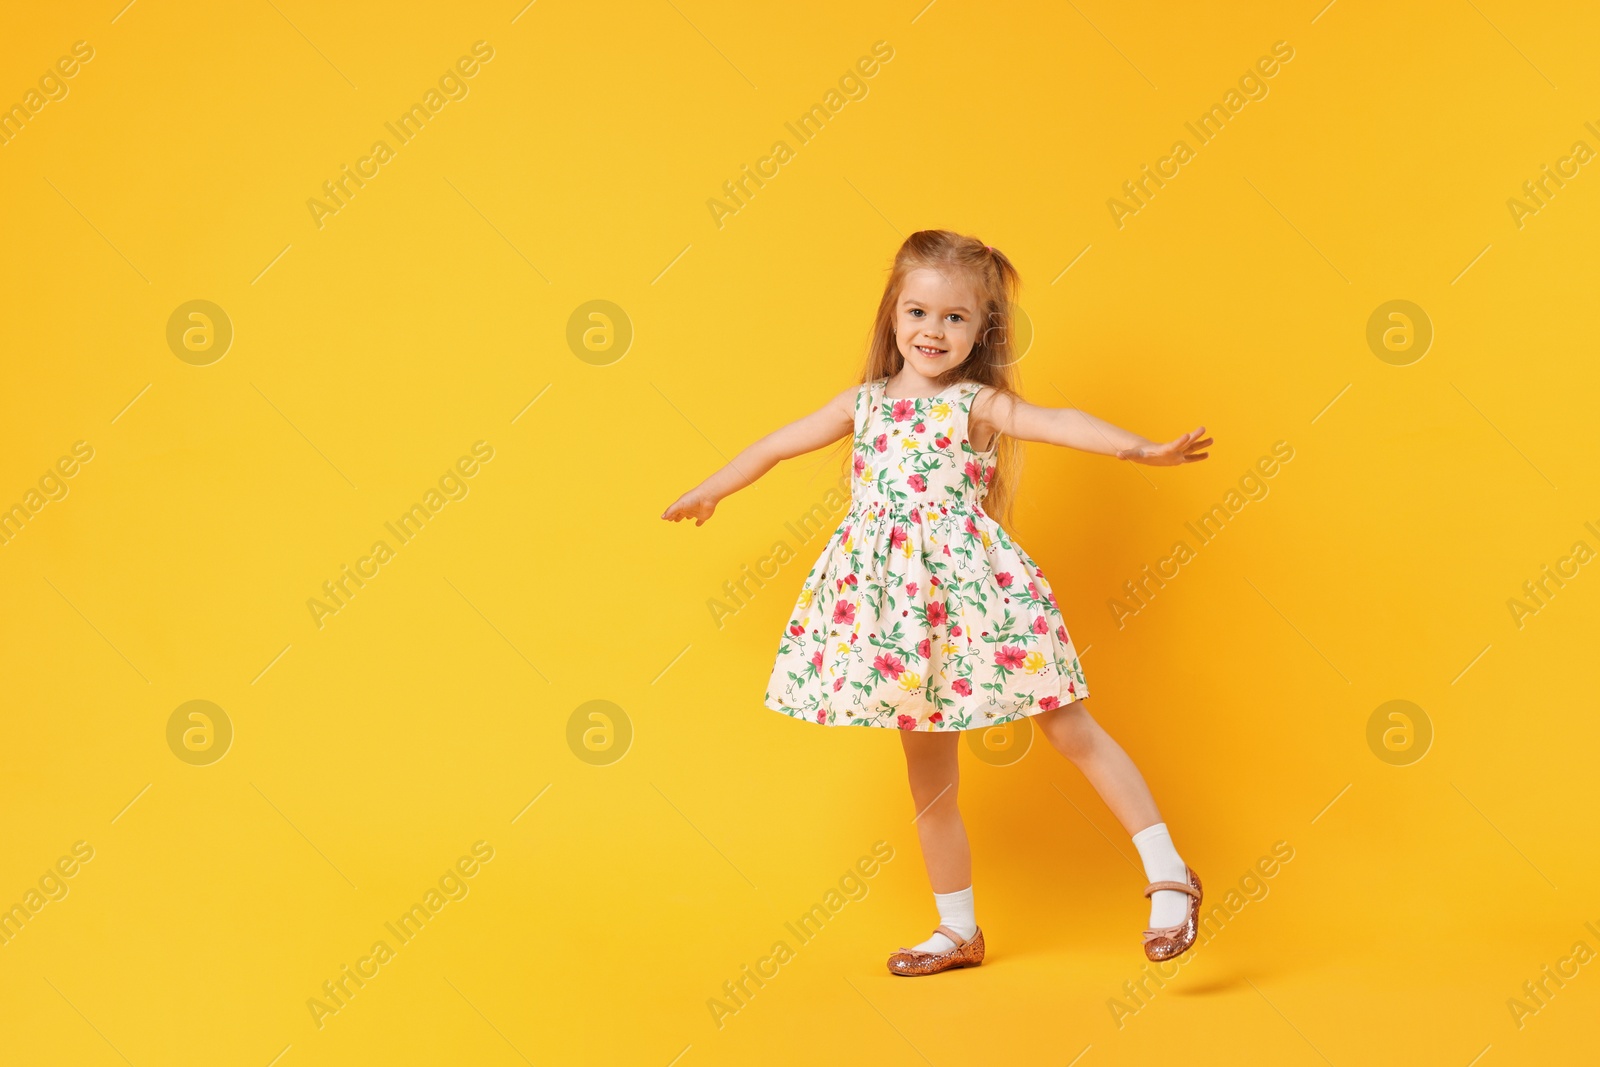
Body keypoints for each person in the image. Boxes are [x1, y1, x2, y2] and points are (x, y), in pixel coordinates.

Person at [661, 229, 1213, 976]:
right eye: (918, 311)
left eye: (955, 317)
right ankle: (957, 928)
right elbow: (776, 444)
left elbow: (1060, 420)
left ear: (982, 329)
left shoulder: (975, 404)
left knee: (1067, 727)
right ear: (893, 313)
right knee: (929, 781)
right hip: (899, 619)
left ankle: (1170, 872)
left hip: (981, 599)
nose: (932, 330)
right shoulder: (861, 405)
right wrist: (712, 489)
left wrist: (1141, 449)